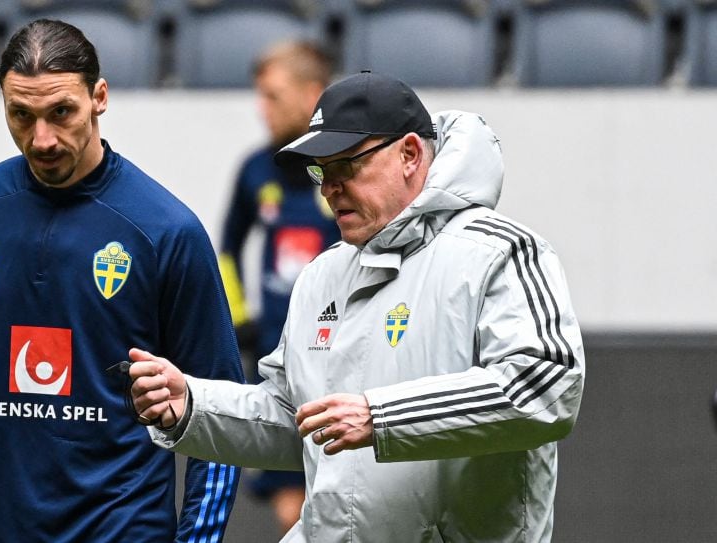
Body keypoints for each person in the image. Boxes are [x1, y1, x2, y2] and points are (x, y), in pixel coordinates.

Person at [128, 71, 585, 542]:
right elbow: (296, 419)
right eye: (320, 171)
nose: (328, 188)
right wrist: (193, 404)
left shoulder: (502, 251)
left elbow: (546, 387)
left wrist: (381, 418)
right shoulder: (320, 276)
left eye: (346, 166)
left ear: (409, 154)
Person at [0, 19, 243, 543]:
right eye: (20, 116)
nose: (42, 138)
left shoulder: (166, 233)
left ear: (99, 97)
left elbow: (220, 407)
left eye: (61, 113)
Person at [217, 40, 337, 534]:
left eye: (273, 96)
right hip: (278, 358)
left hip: (343, 356)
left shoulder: (345, 166)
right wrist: (241, 321)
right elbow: (226, 249)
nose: (262, 109)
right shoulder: (254, 169)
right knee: (293, 505)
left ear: (314, 94)